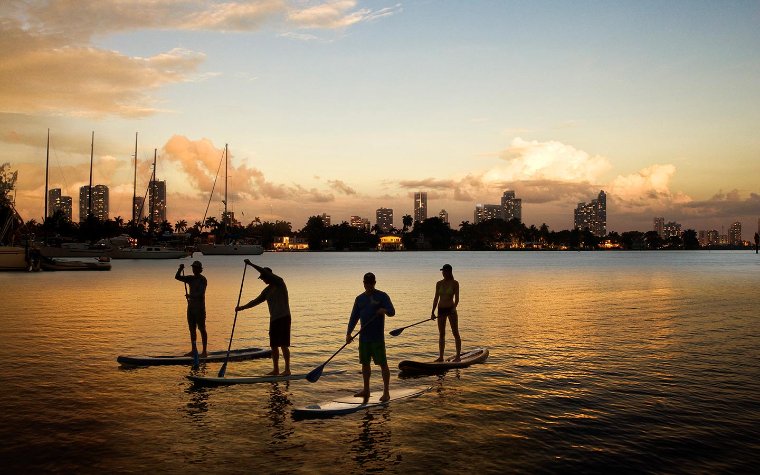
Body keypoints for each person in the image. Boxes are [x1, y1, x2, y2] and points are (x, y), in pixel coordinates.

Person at [235, 259, 291, 376]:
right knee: (274, 345)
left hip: (284, 317)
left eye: (263, 277)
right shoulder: (267, 290)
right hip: (274, 319)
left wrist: (251, 265)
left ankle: (287, 370)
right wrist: (242, 308)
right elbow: (255, 301)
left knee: (283, 344)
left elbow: (264, 273)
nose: (263, 279)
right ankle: (276, 370)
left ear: (270, 276)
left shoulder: (279, 282)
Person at [346, 272, 395, 401]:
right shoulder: (359, 299)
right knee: (365, 364)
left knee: (383, 363)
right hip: (364, 338)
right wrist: (348, 333)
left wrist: (383, 310)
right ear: (363, 283)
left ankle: (386, 392)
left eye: (371, 283)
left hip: (377, 338)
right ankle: (366, 390)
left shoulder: (382, 296)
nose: (368, 286)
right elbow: (354, 317)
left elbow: (392, 311)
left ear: (374, 283)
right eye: (366, 283)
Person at [175, 260, 208, 357]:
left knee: (202, 328)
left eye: (196, 267)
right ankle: (194, 350)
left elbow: (201, 293)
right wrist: (180, 269)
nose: (194, 269)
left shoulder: (203, 280)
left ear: (200, 269)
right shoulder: (190, 278)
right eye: (193, 267)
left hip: (200, 308)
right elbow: (177, 277)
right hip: (191, 308)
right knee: (192, 329)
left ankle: (204, 351)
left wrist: (190, 296)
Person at [431, 263, 461, 362]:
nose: (443, 273)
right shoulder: (438, 283)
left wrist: (454, 308)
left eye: (444, 271)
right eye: (442, 271)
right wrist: (432, 312)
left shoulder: (455, 283)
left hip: (451, 309)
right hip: (441, 310)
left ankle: (458, 356)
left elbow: (457, 299)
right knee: (441, 333)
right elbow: (436, 298)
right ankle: (441, 357)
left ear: (449, 272)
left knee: (455, 332)